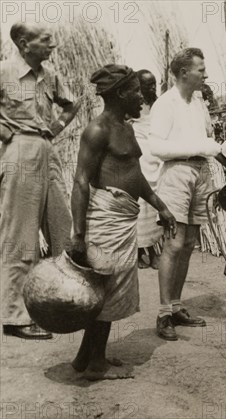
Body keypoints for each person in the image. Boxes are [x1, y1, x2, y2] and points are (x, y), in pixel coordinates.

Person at [68, 64, 176, 380]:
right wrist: (78, 233)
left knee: (108, 286)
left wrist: (160, 205)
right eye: (135, 91)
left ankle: (84, 356)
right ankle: (97, 364)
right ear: (119, 93)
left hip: (122, 217)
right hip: (104, 218)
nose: (142, 97)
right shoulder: (98, 130)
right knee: (106, 287)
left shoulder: (126, 128)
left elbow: (134, 174)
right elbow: (81, 181)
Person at [0, 22, 82, 340]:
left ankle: (58, 305)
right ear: (24, 43)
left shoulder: (50, 75)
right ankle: (15, 316)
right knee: (20, 237)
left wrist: (57, 127)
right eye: (46, 40)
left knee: (63, 229)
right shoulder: (5, 71)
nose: (53, 44)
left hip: (47, 149)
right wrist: (4, 132)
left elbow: (72, 103)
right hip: (18, 150)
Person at [148, 48, 222, 341]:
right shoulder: (166, 104)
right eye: (201, 69)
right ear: (183, 73)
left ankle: (177, 306)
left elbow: (202, 138)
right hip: (177, 172)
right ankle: (164, 312)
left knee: (190, 242)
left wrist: (208, 147)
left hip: (200, 172)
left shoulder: (196, 103)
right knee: (174, 244)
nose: (205, 74)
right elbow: (157, 148)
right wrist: (197, 148)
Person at [131, 70, 162, 269]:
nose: (152, 88)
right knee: (141, 204)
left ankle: (154, 249)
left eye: (154, 84)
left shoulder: (159, 105)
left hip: (157, 156)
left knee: (156, 202)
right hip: (139, 157)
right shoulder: (131, 106)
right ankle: (141, 249)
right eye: (148, 85)